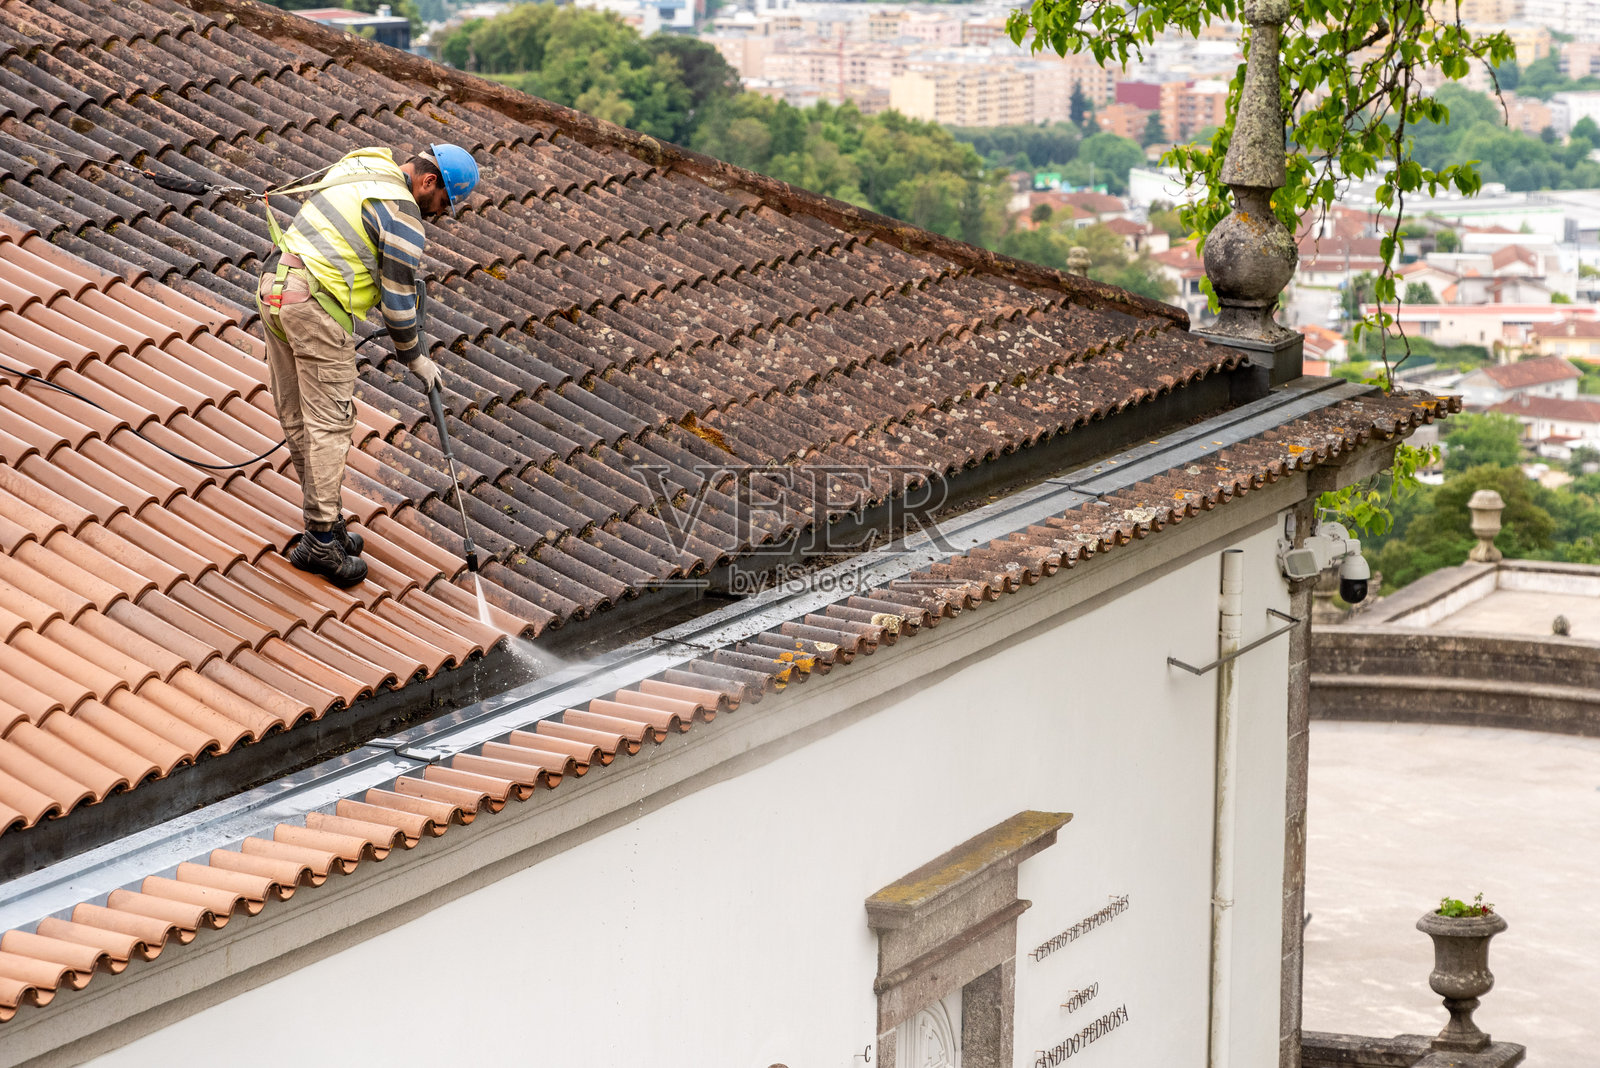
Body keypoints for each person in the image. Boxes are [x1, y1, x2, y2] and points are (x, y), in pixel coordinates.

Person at [256, 144, 478, 587]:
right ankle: (320, 541)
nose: (437, 214)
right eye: (442, 204)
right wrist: (415, 358)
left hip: (275, 287)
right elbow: (398, 300)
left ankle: (327, 523)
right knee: (330, 423)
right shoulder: (402, 214)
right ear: (428, 182)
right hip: (316, 305)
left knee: (300, 416)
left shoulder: (361, 166)